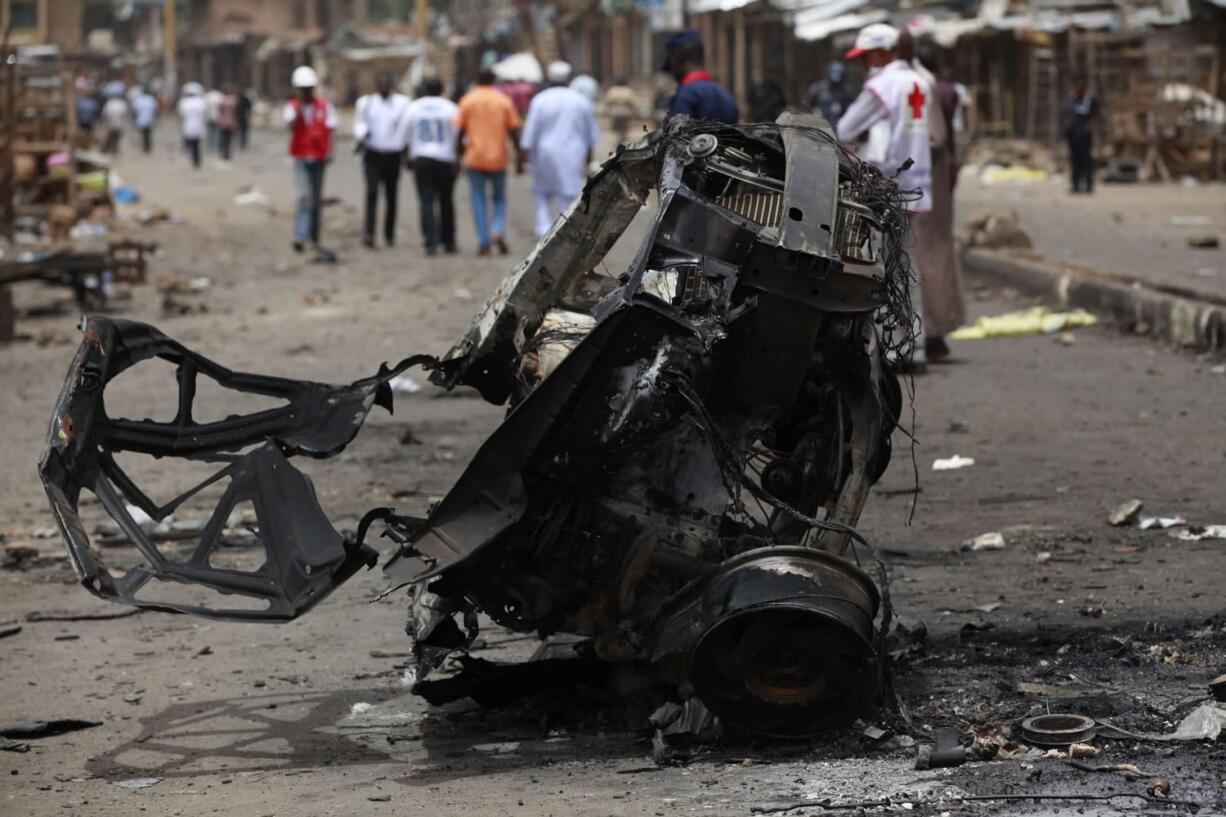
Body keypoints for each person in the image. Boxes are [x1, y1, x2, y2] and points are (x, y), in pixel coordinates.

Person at [836, 23, 932, 372]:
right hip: (918, 185)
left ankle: (894, 348)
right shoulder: (919, 82)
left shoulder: (882, 85)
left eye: (864, 57)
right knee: (905, 265)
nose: (863, 65)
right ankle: (914, 347)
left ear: (879, 53)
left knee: (881, 268)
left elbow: (845, 128)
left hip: (888, 186)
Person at [910, 44, 967, 363]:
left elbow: (932, 138)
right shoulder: (947, 91)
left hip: (926, 173)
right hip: (941, 172)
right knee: (939, 250)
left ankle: (931, 332)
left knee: (927, 252)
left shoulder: (921, 88)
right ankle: (938, 330)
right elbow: (953, 138)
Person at [521, 61, 602, 239]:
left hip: (544, 153)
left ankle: (543, 229)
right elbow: (590, 136)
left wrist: (524, 157)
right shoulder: (581, 101)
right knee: (569, 194)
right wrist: (588, 160)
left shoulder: (540, 100)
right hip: (573, 153)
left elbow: (530, 133)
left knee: (542, 192)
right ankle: (562, 231)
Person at [455, 68, 523, 256]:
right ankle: (498, 230)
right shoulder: (503, 100)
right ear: (494, 80)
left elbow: (460, 133)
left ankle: (484, 241)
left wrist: (457, 157)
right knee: (499, 198)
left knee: (478, 199)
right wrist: (519, 157)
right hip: (498, 157)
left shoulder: (468, 100)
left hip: (474, 157)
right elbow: (514, 131)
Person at [284, 65, 337, 255]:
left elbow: (331, 130)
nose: (306, 93)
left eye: (308, 89)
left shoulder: (325, 106)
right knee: (303, 196)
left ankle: (314, 237)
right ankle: (300, 235)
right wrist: (299, 108)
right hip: (301, 157)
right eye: (302, 89)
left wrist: (330, 151)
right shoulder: (292, 107)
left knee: (316, 198)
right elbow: (291, 126)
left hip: (319, 157)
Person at [354, 71, 411, 248]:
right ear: (377, 85)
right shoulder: (367, 103)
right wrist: (363, 134)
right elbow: (359, 124)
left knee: (391, 196)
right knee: (372, 193)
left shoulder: (402, 103)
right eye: (381, 84)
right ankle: (369, 233)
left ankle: (389, 234)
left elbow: (406, 128)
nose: (384, 87)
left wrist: (406, 151)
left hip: (393, 155)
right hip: (373, 154)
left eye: (387, 84)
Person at [405, 77, 459, 255]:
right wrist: (457, 158)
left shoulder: (414, 107)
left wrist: (407, 157)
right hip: (445, 158)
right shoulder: (450, 107)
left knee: (426, 200)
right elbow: (459, 135)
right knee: (446, 200)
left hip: (422, 158)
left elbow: (404, 135)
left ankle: (431, 241)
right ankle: (448, 241)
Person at [662, 29, 738, 124]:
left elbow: (679, 136)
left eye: (670, 64)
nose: (672, 72)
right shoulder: (725, 95)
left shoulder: (685, 97)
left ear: (677, 57)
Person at [1065, 79, 1099, 194]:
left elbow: (1095, 117)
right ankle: (1075, 185)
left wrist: (1089, 128)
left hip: (1085, 136)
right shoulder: (1073, 100)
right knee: (1075, 161)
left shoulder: (1091, 100)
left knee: (1087, 161)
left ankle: (1089, 185)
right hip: (1074, 136)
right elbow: (1068, 115)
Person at [806, 62, 852, 126]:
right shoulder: (818, 88)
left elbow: (849, 110)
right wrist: (815, 111)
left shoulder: (845, 91)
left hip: (838, 126)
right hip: (820, 125)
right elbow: (808, 104)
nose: (836, 84)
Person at [177, 82, 207, 169]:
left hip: (188, 126)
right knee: (197, 145)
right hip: (198, 126)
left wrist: (180, 125)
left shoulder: (184, 103)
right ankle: (197, 160)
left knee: (190, 144)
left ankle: (193, 159)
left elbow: (180, 116)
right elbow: (205, 115)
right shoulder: (201, 102)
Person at [604, 78, 638, 143]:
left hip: (615, 111)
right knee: (624, 128)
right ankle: (623, 139)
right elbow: (632, 103)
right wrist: (634, 112)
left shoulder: (612, 90)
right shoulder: (628, 90)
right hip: (626, 111)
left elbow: (608, 103)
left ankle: (620, 140)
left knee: (618, 128)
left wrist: (607, 111)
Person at [132, 86, 158, 153]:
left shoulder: (139, 100)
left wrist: (134, 119)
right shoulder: (151, 99)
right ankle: (147, 146)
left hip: (141, 119)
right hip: (149, 119)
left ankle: (145, 146)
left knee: (143, 133)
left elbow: (134, 111)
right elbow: (155, 110)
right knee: (148, 133)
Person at [217, 85, 238, 160]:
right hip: (231, 121)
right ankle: (228, 152)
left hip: (223, 121)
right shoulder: (233, 100)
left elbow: (220, 110)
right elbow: (236, 111)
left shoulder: (222, 100)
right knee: (229, 138)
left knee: (224, 138)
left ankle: (224, 152)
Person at [205, 86, 223, 151]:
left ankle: (210, 144)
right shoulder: (220, 96)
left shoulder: (208, 96)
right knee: (217, 132)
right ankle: (215, 144)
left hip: (209, 117)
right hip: (217, 117)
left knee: (210, 131)